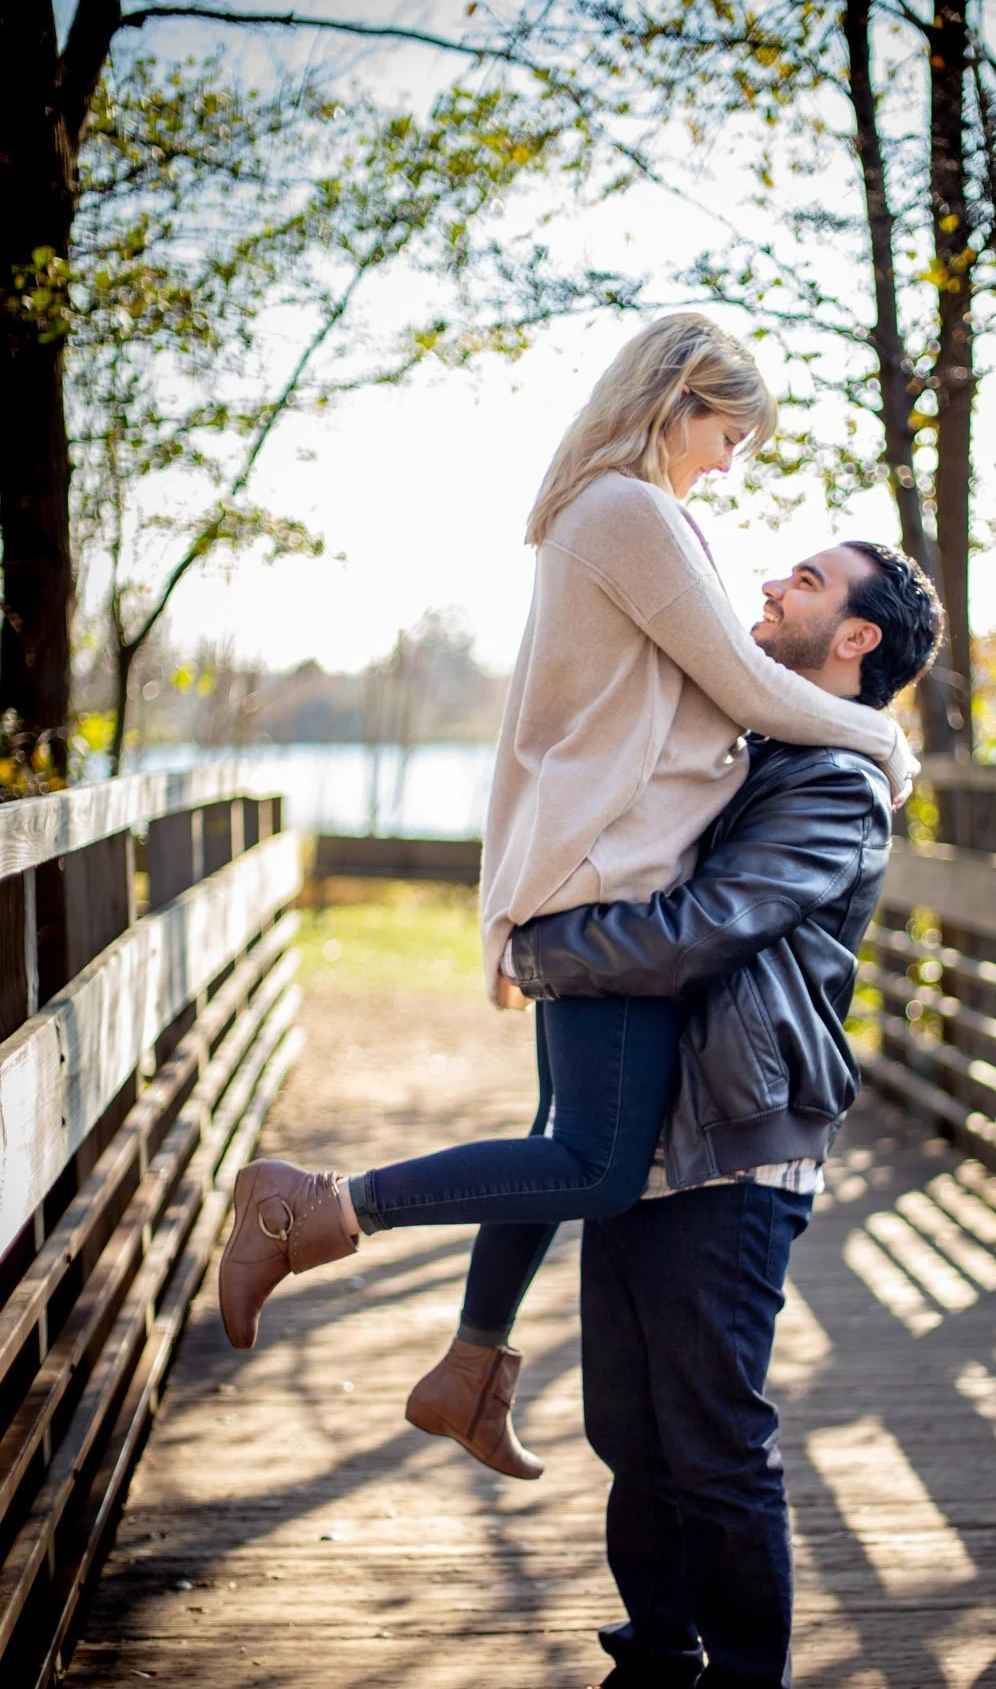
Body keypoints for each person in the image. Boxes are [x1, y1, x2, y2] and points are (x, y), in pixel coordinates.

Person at [217, 316, 917, 1478]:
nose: (731, 460)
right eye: (729, 433)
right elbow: (742, 681)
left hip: (606, 866)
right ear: (678, 399)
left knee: (564, 1141)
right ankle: (313, 1206)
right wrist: (878, 738)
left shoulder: (623, 513)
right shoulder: (625, 512)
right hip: (611, 879)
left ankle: (471, 1368)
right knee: (595, 1163)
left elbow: (715, 697)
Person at [505, 539, 943, 1689]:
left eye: (804, 582)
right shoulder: (756, 740)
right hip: (650, 1123)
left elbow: (706, 923)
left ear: (858, 638)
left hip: (738, 1134)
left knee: (712, 1441)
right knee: (629, 1429)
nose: (767, 590)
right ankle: (657, 1674)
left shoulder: (836, 778)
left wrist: (549, 949)